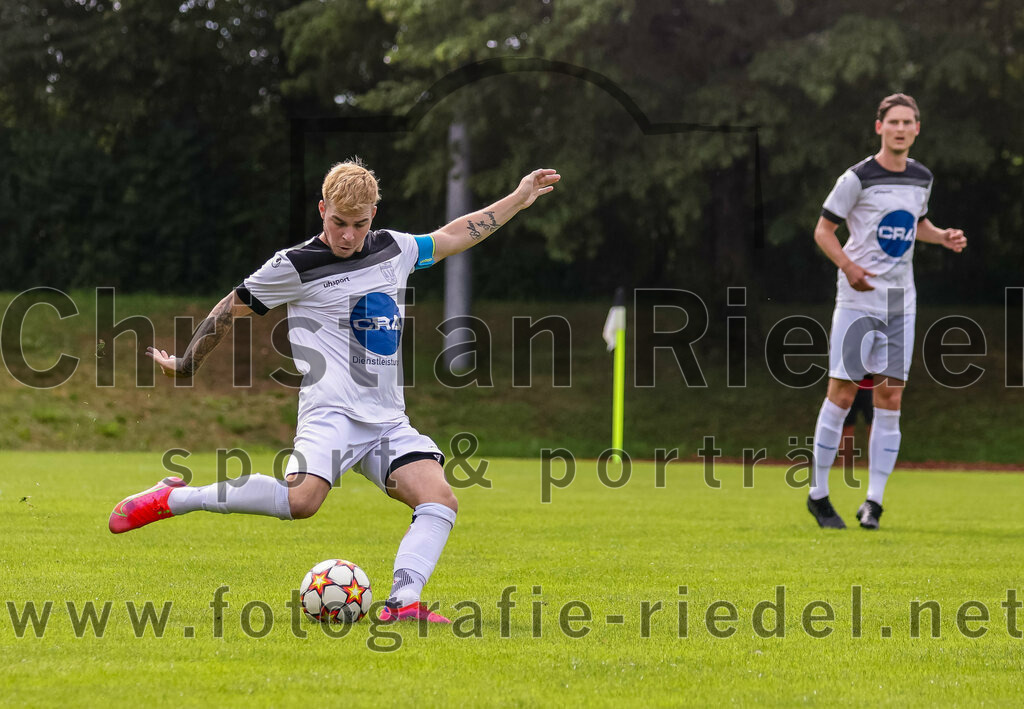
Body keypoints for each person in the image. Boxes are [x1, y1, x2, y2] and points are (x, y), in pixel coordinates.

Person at [108, 159, 560, 622]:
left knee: (440, 498)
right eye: (337, 223)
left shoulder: (395, 250)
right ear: (322, 210)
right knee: (300, 502)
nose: (347, 235)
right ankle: (173, 499)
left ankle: (402, 604)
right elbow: (232, 306)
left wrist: (519, 199)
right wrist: (187, 364)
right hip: (331, 413)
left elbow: (455, 235)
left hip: (387, 420)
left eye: (359, 224)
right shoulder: (294, 265)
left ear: (373, 216)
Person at [805, 93, 966, 530]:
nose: (900, 128)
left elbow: (916, 225)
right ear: (879, 127)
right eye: (892, 121)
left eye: (907, 122)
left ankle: (873, 502)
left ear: (917, 129)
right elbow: (824, 230)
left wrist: (942, 236)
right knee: (840, 395)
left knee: (890, 398)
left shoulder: (921, 178)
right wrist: (849, 267)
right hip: (859, 301)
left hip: (900, 302)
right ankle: (818, 493)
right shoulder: (857, 177)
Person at [836, 374, 874, 468]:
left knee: (873, 427)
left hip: (868, 387)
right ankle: (845, 466)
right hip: (850, 387)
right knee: (847, 427)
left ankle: (874, 465)